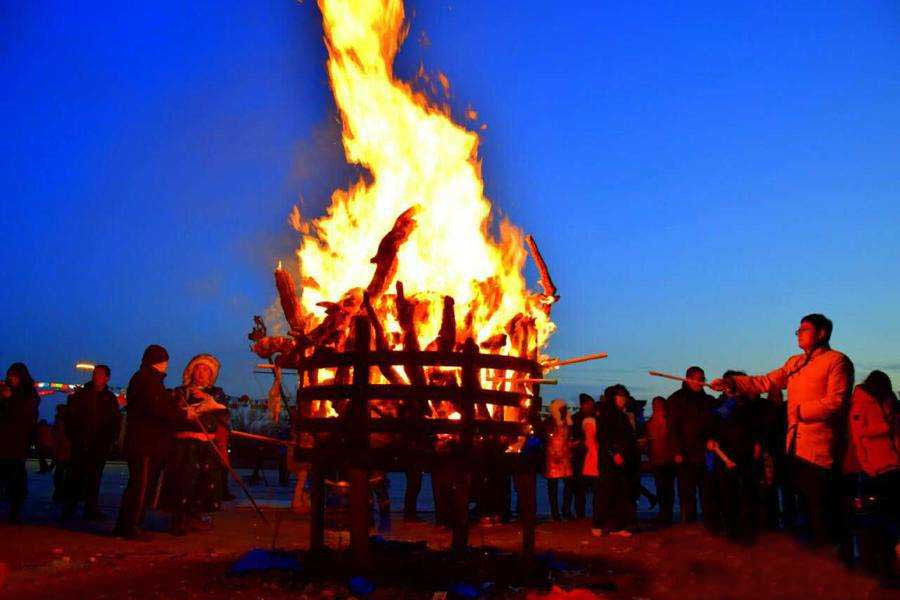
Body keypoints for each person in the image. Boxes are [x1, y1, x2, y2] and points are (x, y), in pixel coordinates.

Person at [710, 313, 854, 546]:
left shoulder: (836, 361)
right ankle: (814, 557)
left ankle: (832, 555)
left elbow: (836, 402)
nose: (799, 334)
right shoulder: (794, 363)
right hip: (795, 447)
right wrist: (733, 383)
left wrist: (798, 412)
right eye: (798, 330)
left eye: (804, 329)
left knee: (823, 507)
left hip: (821, 447)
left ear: (822, 333)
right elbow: (765, 381)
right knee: (803, 506)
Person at [114, 345, 221, 539]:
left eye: (206, 370)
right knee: (143, 486)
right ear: (161, 362)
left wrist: (207, 406)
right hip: (147, 442)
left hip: (171, 443)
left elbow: (220, 416)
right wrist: (183, 413)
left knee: (144, 485)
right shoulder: (149, 381)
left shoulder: (149, 380)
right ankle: (131, 526)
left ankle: (131, 524)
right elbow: (157, 409)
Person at [162, 354, 229, 535]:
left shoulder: (217, 393)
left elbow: (224, 415)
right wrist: (194, 410)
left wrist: (211, 404)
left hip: (206, 446)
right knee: (184, 481)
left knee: (203, 483)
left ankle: (196, 517)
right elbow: (174, 414)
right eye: (199, 369)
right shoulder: (180, 392)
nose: (202, 373)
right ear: (192, 371)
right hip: (184, 447)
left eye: (206, 370)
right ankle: (180, 519)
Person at [841, 370, 899, 578]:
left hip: (888, 468)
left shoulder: (887, 400)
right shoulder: (863, 403)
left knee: (883, 519)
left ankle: (882, 566)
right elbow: (859, 439)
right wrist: (868, 468)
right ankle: (879, 567)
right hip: (874, 470)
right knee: (877, 520)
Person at [707, 371, 763, 542]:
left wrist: (757, 442)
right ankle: (732, 530)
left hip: (744, 452)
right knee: (727, 492)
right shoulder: (719, 404)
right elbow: (710, 424)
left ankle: (748, 529)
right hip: (724, 453)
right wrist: (710, 438)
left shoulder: (746, 403)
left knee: (747, 491)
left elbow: (755, 425)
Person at [61, 365, 122, 521]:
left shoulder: (109, 398)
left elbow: (115, 421)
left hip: (99, 444)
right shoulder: (82, 394)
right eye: (95, 374)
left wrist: (109, 440)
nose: (96, 376)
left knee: (94, 478)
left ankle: (90, 508)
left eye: (100, 374)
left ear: (106, 378)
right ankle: (70, 508)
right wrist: (74, 435)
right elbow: (71, 416)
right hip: (81, 442)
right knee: (75, 475)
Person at [667, 366, 717, 524]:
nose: (700, 382)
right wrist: (677, 451)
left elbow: (714, 424)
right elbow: (673, 428)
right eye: (698, 378)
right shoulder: (676, 400)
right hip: (685, 452)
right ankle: (688, 521)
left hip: (705, 452)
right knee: (686, 490)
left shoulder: (708, 401)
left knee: (707, 489)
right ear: (688, 379)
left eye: (703, 379)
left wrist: (712, 438)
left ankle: (709, 520)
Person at [592, 384, 639, 537]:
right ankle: (598, 523)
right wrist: (614, 452)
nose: (624, 399)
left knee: (621, 492)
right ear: (613, 397)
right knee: (607, 491)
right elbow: (603, 437)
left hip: (624, 459)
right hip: (610, 460)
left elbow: (627, 437)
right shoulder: (606, 415)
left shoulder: (622, 416)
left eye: (625, 396)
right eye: (621, 396)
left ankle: (618, 525)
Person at [0, 363, 39, 523]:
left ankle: (15, 510)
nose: (11, 379)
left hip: (17, 442)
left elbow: (26, 414)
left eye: (15, 376)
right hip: (3, 440)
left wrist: (12, 399)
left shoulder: (28, 394)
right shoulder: (4, 392)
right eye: (10, 375)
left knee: (15, 476)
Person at [646, 396, 676, 526]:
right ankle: (664, 513)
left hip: (665, 458)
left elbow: (668, 437)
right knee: (662, 488)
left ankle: (666, 514)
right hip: (658, 458)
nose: (654, 406)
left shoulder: (664, 420)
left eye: (656, 404)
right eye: (653, 404)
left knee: (666, 488)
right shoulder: (655, 420)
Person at [543, 399, 573, 521]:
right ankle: (555, 513)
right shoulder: (549, 422)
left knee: (569, 484)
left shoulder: (568, 422)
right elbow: (546, 437)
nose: (565, 410)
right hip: (553, 456)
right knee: (553, 486)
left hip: (565, 455)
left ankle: (566, 510)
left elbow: (569, 437)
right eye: (563, 408)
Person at [569, 393, 595, 520]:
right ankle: (580, 514)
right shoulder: (575, 419)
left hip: (592, 455)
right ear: (583, 405)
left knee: (594, 486)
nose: (591, 407)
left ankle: (595, 513)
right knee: (579, 487)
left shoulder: (595, 417)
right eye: (589, 405)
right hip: (580, 457)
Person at [51, 405, 72, 503]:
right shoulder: (63, 423)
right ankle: (60, 492)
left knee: (60, 472)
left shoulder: (58, 422)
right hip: (64, 450)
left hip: (62, 450)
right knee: (62, 472)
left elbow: (56, 438)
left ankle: (59, 492)